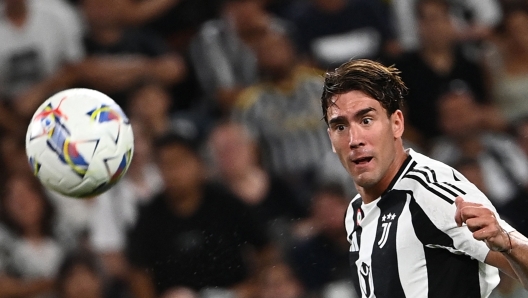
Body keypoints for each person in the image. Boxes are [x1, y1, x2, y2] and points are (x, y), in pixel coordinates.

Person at [320, 58, 528, 297]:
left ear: (396, 123)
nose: (354, 139)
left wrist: (507, 243)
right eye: (340, 127)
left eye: (366, 120)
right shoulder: (356, 213)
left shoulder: (431, 192)